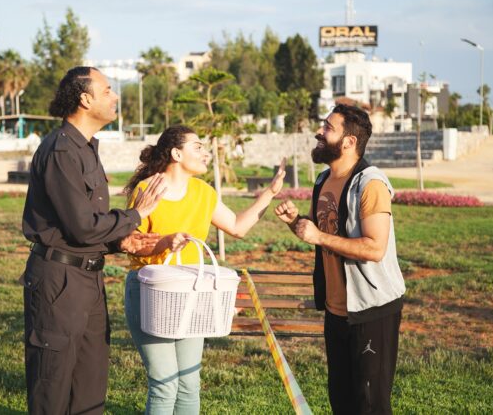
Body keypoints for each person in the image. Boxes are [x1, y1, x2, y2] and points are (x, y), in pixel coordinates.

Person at [21, 66, 166, 415]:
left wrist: (123, 242)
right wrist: (135, 215)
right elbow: (82, 227)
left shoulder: (85, 148)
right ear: (85, 99)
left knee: (90, 384)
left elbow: (88, 224)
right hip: (59, 282)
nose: (115, 96)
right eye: (107, 90)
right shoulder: (60, 151)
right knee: (53, 387)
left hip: (89, 279)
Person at [123, 125, 286, 414]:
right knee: (164, 384)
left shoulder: (203, 192)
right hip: (150, 291)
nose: (206, 153)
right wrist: (163, 243)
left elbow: (237, 227)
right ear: (176, 153)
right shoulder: (147, 189)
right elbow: (129, 244)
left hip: (188, 291)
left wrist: (270, 193)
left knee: (188, 383)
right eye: (197, 147)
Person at [274, 104, 405, 414]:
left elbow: (375, 248)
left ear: (349, 142)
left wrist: (317, 236)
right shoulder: (323, 180)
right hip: (336, 311)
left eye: (328, 128)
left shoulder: (370, 184)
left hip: (371, 310)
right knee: (342, 400)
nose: (319, 132)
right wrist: (297, 223)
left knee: (370, 404)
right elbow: (323, 234)